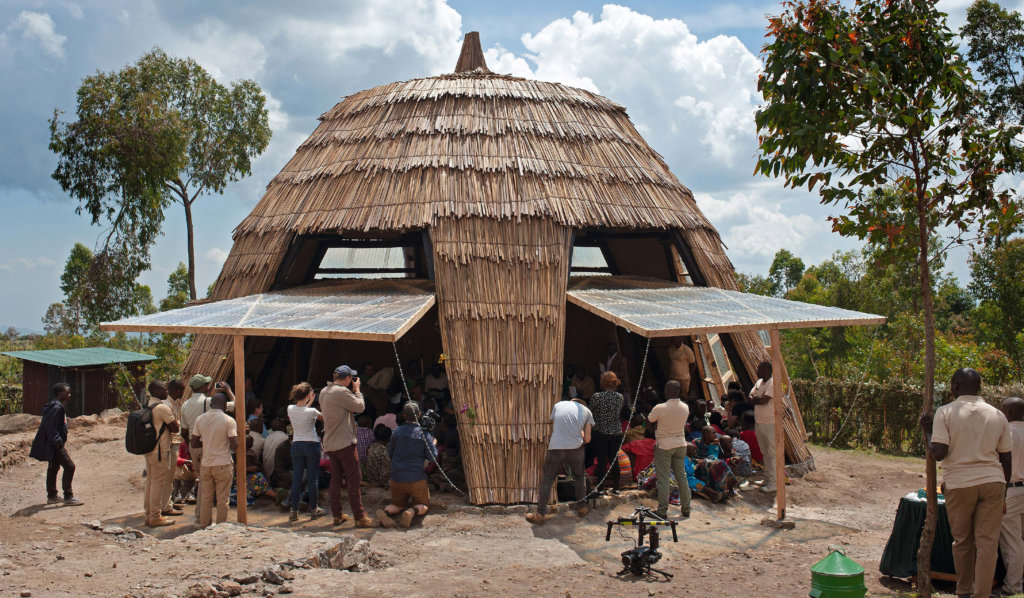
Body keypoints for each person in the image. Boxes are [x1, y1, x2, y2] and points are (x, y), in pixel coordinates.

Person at [921, 368, 1011, 598]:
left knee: (962, 542)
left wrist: (927, 430)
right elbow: (1006, 458)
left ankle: (963, 592)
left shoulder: (945, 412)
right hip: (993, 482)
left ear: (955, 386)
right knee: (988, 544)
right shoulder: (997, 415)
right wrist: (1003, 493)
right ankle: (982, 594)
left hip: (960, 483)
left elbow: (939, 453)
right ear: (979, 388)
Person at [526, 393, 594, 525]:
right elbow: (587, 439)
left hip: (556, 446)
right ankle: (582, 507)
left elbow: (558, 426)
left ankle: (540, 513)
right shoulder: (587, 412)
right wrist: (580, 433)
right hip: (576, 448)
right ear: (583, 404)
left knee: (548, 479)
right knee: (579, 477)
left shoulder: (558, 405)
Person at [320, 365, 374, 528]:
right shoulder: (341, 392)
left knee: (336, 478)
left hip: (330, 441)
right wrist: (357, 390)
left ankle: (337, 515)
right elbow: (360, 407)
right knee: (354, 478)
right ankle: (360, 516)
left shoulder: (324, 391)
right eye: (351, 378)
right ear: (348, 378)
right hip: (344, 442)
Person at [180, 375, 235, 523]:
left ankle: (201, 519)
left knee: (204, 484)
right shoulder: (211, 402)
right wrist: (228, 391)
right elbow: (235, 405)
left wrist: (191, 446)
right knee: (217, 493)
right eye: (207, 384)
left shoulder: (185, 405)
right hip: (210, 448)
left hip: (194, 445)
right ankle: (208, 521)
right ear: (204, 387)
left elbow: (184, 431)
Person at [378, 402, 437, 528]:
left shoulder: (397, 432)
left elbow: (390, 453)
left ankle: (385, 512)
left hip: (397, 478)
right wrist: (434, 444)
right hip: (416, 478)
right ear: (419, 415)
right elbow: (432, 457)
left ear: (404, 415)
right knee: (424, 504)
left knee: (397, 505)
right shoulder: (423, 434)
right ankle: (412, 511)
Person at [29, 383, 83, 507]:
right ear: (59, 393)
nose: (69, 395)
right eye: (67, 392)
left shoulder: (56, 406)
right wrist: (58, 442)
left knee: (53, 468)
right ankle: (68, 496)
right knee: (70, 467)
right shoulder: (56, 408)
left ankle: (52, 496)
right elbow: (50, 428)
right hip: (55, 445)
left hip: (54, 444)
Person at [190, 392, 238, 527]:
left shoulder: (200, 419)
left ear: (211, 405)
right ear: (224, 405)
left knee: (206, 497)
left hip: (206, 464)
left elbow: (194, 443)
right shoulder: (228, 420)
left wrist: (207, 443)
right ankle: (221, 527)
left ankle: (205, 526)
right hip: (223, 463)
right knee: (223, 499)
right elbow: (235, 444)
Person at [648, 380, 690, 519]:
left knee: (663, 479)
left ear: (666, 390)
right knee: (681, 476)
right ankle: (686, 508)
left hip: (665, 445)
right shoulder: (685, 407)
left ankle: (662, 510)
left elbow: (650, 419)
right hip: (680, 443)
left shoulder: (660, 407)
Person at [142, 381, 180, 527]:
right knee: (158, 483)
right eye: (164, 389)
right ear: (158, 392)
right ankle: (155, 516)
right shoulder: (162, 408)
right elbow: (175, 428)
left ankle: (148, 514)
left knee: (150, 482)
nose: (166, 391)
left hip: (150, 449)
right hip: (160, 450)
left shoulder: (148, 405)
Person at [287, 382, 325, 522]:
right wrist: (312, 402)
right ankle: (314, 509)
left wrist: (308, 402)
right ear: (309, 395)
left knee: (297, 478)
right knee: (312, 478)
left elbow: (301, 412)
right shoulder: (313, 412)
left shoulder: (290, 408)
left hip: (297, 444)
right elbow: (323, 418)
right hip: (311, 444)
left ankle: (294, 510)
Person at [998, 396, 1024, 597]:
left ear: (1008, 414)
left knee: (1012, 541)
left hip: (1012, 490)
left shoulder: (1008, 433)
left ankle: (1013, 586)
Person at [589, 371, 625, 490]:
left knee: (602, 461)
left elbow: (591, 412)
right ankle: (616, 488)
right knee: (614, 460)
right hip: (616, 433)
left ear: (602, 383)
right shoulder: (620, 397)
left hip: (600, 433)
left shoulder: (597, 397)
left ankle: (600, 488)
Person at [749, 361, 777, 493]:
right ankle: (768, 478)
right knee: (765, 452)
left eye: (759, 369)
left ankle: (774, 482)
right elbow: (750, 397)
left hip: (770, 422)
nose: (757, 371)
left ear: (767, 370)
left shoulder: (773, 382)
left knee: (772, 452)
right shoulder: (759, 382)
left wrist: (756, 399)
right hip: (760, 421)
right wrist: (756, 399)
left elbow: (763, 400)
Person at [161, 379, 187, 514]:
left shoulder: (171, 403)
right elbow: (173, 428)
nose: (183, 393)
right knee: (168, 476)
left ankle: (168, 502)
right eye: (182, 390)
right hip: (170, 443)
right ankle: (165, 506)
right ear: (178, 391)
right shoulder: (167, 405)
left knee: (170, 476)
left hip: (173, 443)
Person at [366, 424, 392, 488]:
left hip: (372, 479)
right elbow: (385, 472)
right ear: (389, 438)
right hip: (382, 482)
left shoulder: (372, 447)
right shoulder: (385, 451)